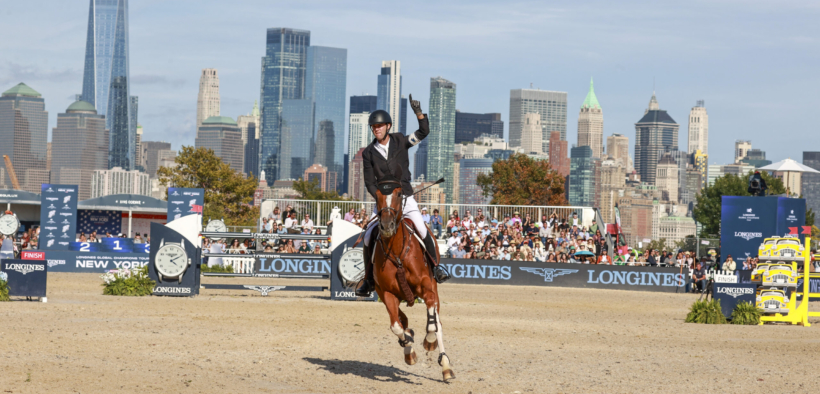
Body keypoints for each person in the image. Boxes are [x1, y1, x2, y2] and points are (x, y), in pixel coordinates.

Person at [355, 97, 450, 296]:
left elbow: (423, 132)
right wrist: (380, 199)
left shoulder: (400, 141)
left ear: (388, 126)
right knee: (368, 237)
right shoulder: (369, 153)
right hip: (383, 203)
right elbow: (369, 182)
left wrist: (419, 114)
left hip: (405, 198)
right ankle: (368, 279)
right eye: (373, 127)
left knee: (423, 231)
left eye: (379, 126)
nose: (376, 129)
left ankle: (436, 268)